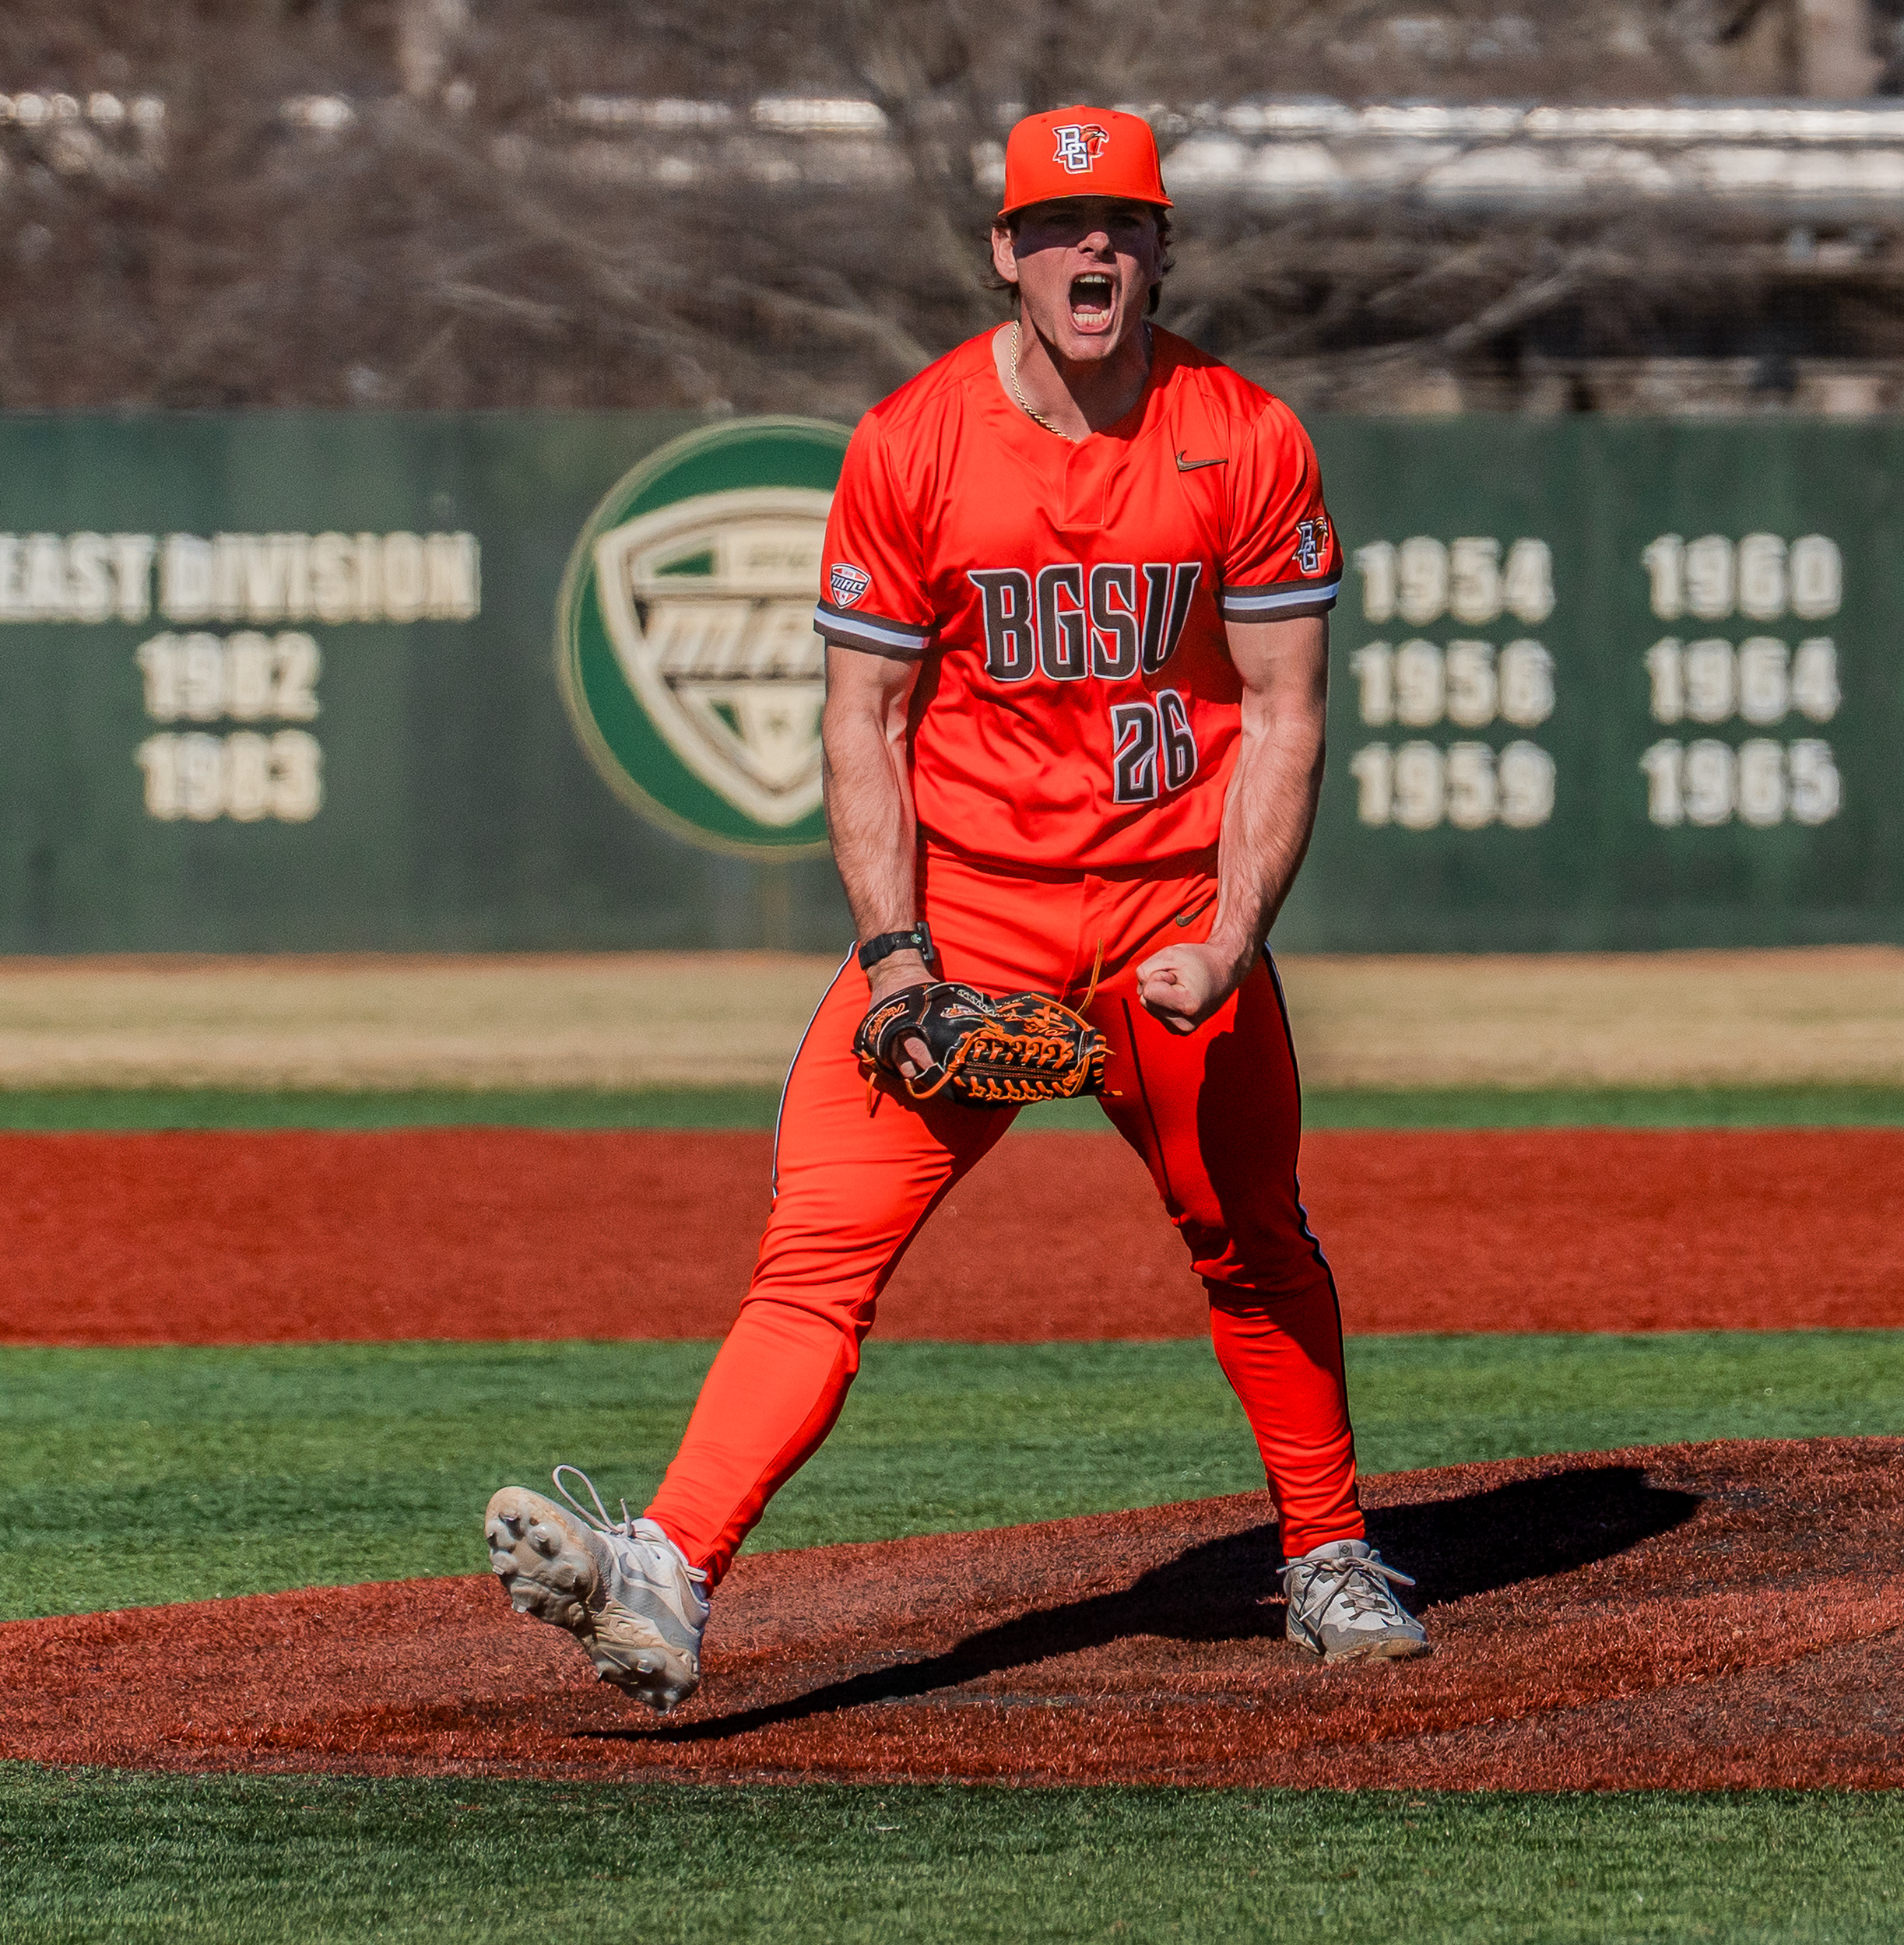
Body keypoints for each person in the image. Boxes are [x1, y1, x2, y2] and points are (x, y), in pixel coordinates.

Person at [483, 105, 1428, 1712]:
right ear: (1005, 250)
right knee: (814, 1261)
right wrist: (900, 957)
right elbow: (867, 720)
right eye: (1060, 226)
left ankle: (1330, 1548)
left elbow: (1284, 708)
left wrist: (1234, 927)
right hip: (971, 914)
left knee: (1248, 1235)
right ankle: (664, 1567)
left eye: (1123, 222)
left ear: (1162, 243)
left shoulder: (1244, 435)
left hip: (1165, 919)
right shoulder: (914, 441)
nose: (1093, 251)